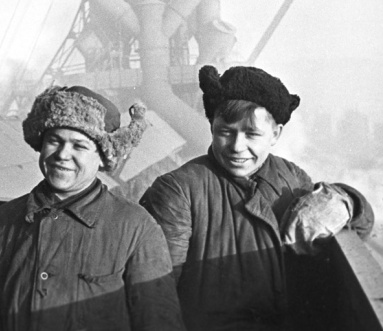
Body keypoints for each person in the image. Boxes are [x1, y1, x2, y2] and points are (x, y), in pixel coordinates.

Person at [139, 65, 374, 331]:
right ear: (212, 126)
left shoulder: (292, 178)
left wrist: (347, 201)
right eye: (225, 132)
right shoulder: (178, 190)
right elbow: (156, 296)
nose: (237, 146)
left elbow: (361, 227)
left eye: (252, 134)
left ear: (276, 134)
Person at [0, 85, 185, 331]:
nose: (63, 154)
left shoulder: (136, 229)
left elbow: (159, 323)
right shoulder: (2, 222)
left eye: (79, 146)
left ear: (104, 156)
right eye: (54, 141)